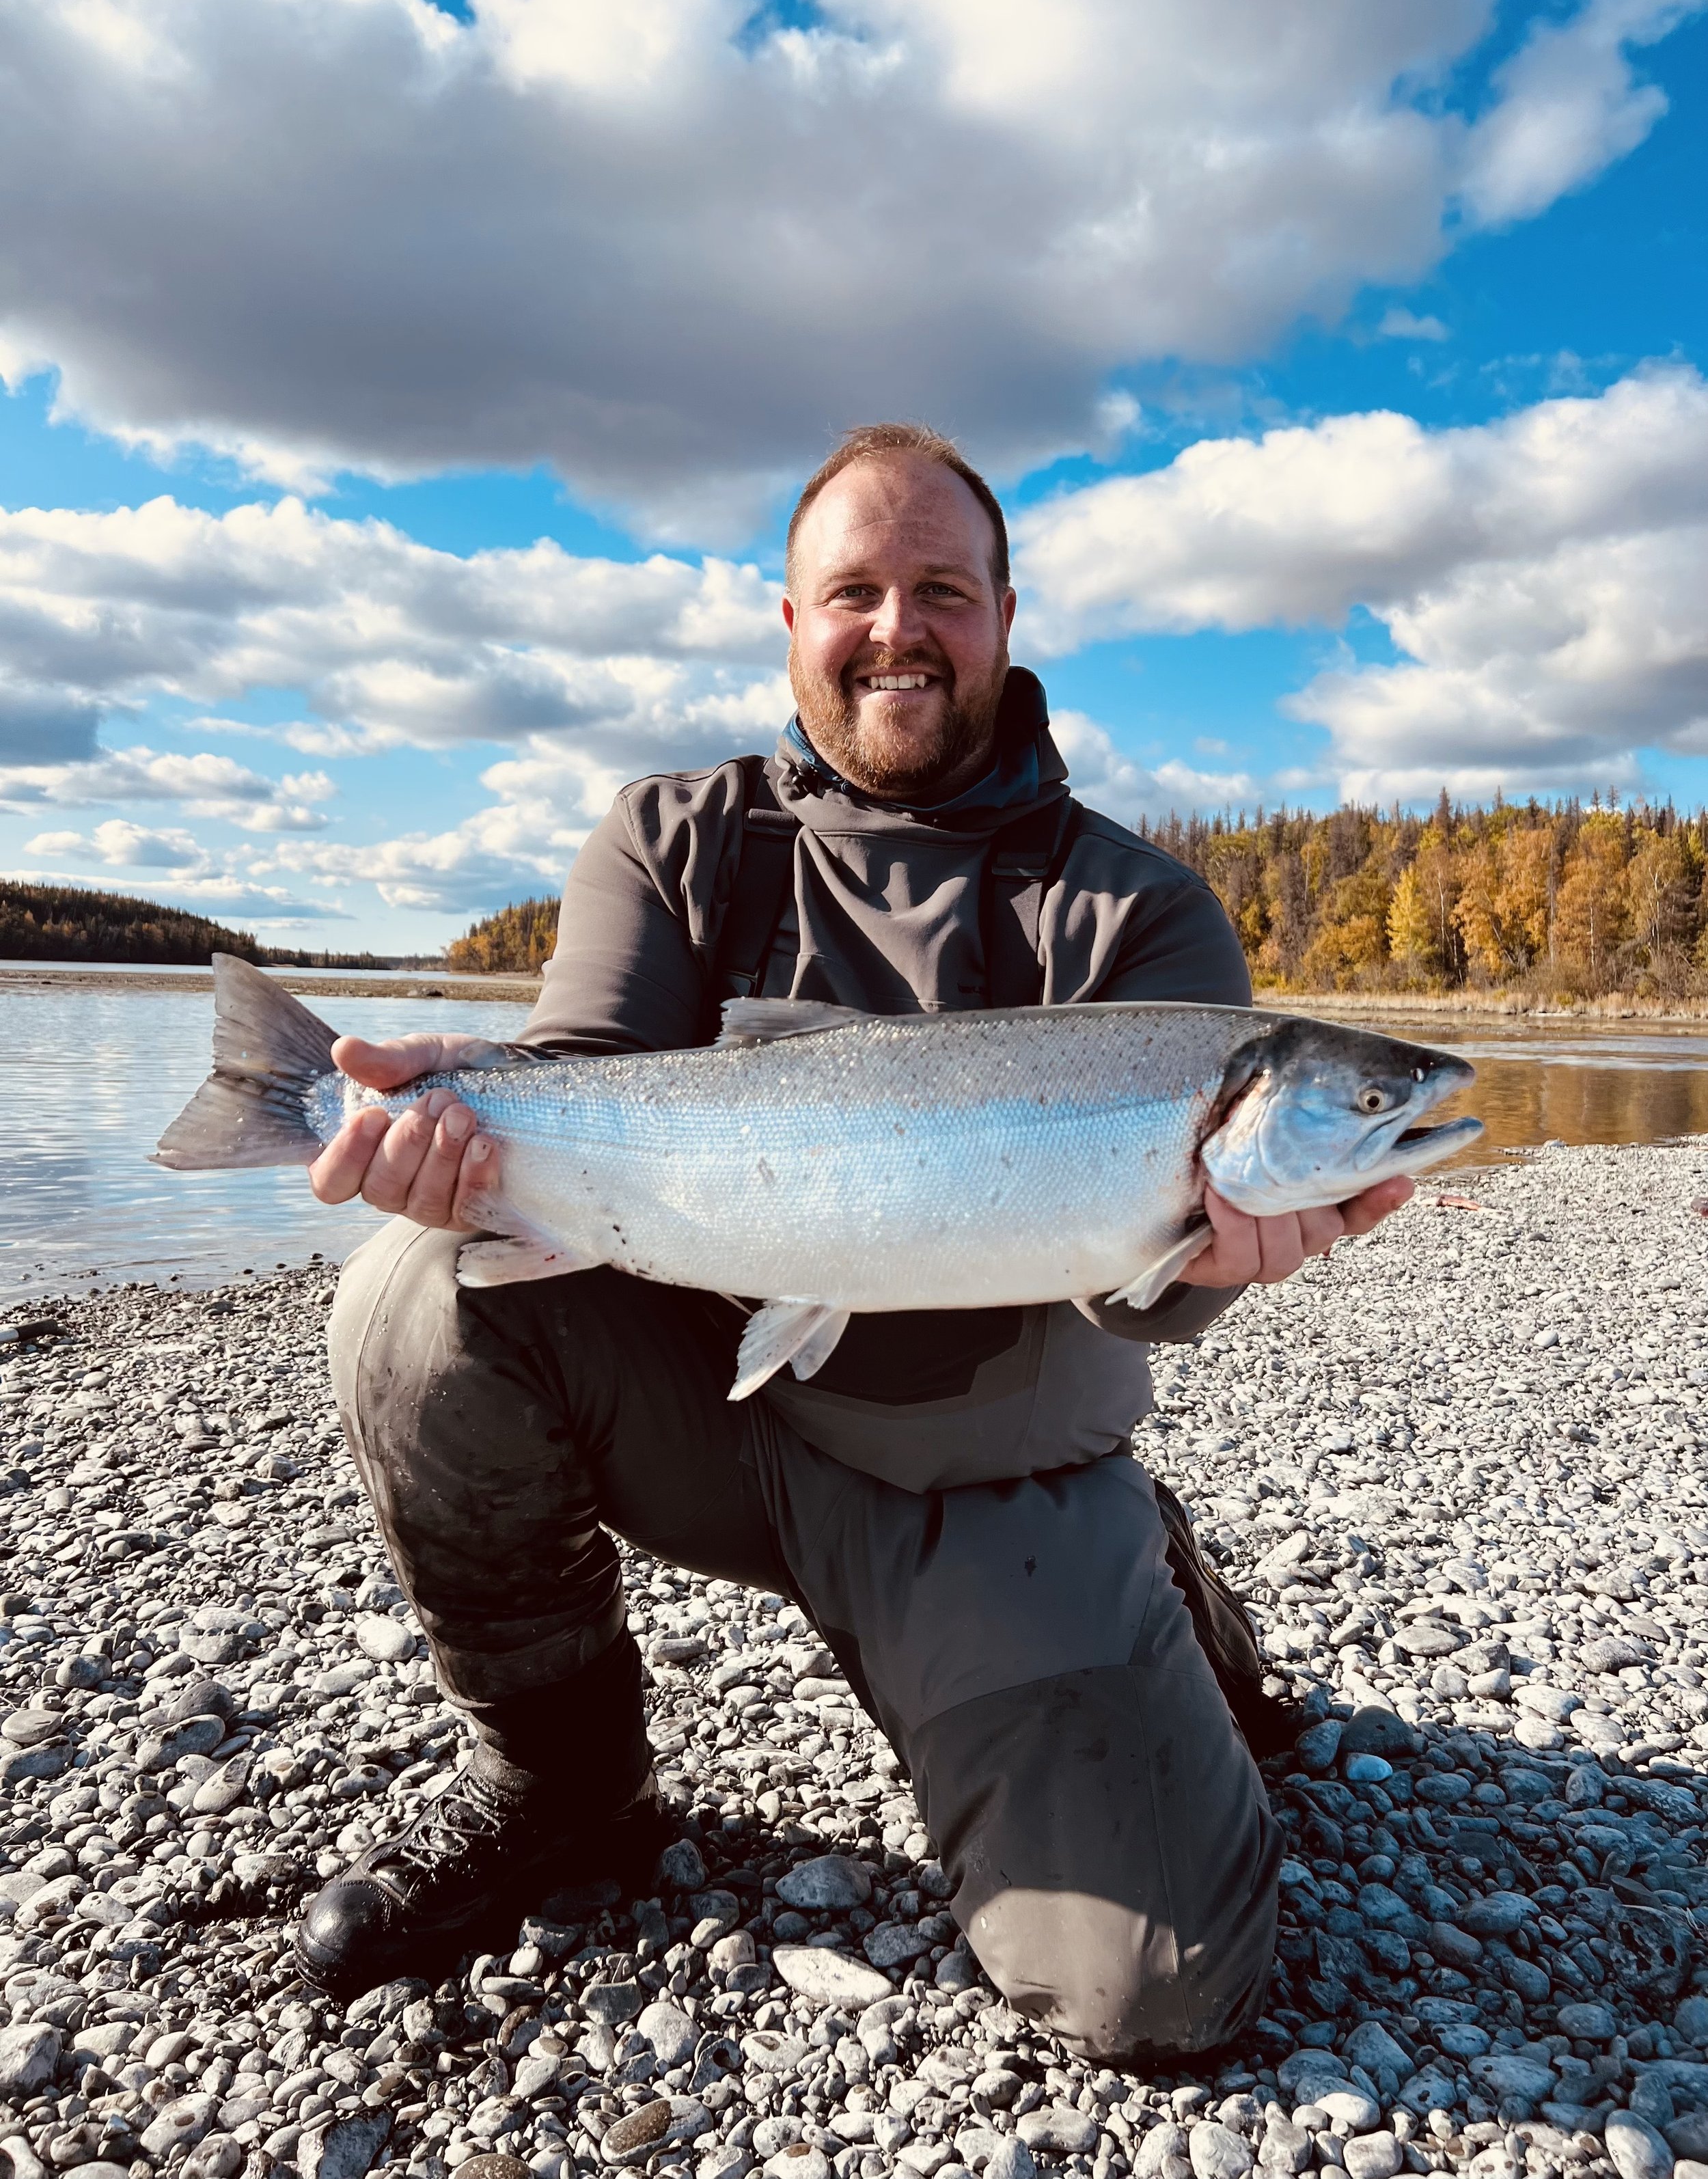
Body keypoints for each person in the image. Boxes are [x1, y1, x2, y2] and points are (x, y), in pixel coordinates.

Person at [294, 424, 1413, 2061]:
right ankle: (561, 1782)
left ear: (1005, 619)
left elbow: (1147, 1291)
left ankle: (1147, 1580)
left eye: (940, 591)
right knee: (413, 1293)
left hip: (992, 1482)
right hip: (720, 1422)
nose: (898, 626)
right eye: (855, 591)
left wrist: (1204, 1266)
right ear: (792, 621)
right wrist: (466, 1148)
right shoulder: (673, 835)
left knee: (1155, 2000)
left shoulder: (1139, 918)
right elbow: (586, 1092)